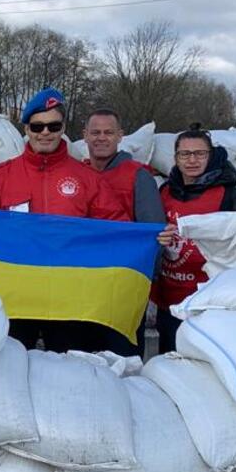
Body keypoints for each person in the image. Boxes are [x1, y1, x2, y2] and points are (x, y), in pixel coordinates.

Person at [0, 88, 125, 353]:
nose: (45, 132)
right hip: (15, 296)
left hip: (69, 297)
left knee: (68, 369)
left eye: (53, 125)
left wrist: (150, 237)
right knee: (10, 364)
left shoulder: (87, 178)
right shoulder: (3, 176)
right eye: (38, 126)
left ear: (63, 128)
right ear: (26, 129)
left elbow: (116, 227)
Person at [153, 125, 236, 353]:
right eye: (185, 154)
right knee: (168, 363)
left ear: (211, 155)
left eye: (200, 153)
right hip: (169, 298)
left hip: (206, 301)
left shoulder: (229, 197)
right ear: (176, 158)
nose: (192, 160)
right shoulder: (165, 191)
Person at [81, 107, 166, 356]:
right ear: (84, 135)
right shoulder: (77, 174)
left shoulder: (138, 177)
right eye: (95, 132)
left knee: (122, 360)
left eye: (108, 132)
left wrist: (141, 282)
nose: (101, 137)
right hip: (82, 286)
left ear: (120, 136)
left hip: (122, 291)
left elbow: (154, 236)